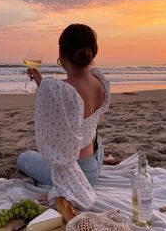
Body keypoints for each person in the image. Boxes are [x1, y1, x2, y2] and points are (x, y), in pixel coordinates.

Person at [17, 23, 110, 210]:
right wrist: (41, 82)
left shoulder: (61, 91)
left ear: (61, 54)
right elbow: (73, 105)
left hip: (80, 174)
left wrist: (58, 191)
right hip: (96, 157)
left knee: (24, 157)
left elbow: (54, 149)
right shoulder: (100, 81)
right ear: (92, 52)